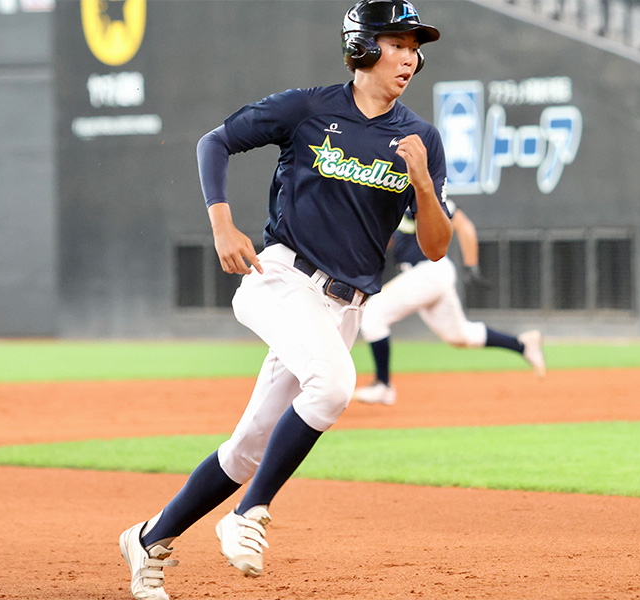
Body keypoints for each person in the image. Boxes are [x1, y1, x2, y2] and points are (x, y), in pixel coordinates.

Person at [118, 1, 451, 598]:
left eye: (414, 45)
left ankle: (148, 539)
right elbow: (214, 143)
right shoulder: (309, 108)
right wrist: (221, 221)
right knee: (335, 385)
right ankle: (249, 514)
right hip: (281, 279)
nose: (410, 56)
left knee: (247, 447)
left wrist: (424, 185)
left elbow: (433, 247)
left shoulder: (421, 138)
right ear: (364, 48)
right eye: (397, 43)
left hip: (343, 308)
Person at [351, 201, 546, 407]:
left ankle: (383, 386)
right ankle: (523, 345)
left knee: (372, 313)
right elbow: (389, 239)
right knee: (459, 335)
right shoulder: (397, 199)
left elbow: (464, 226)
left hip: (429, 271)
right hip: (423, 275)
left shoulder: (428, 195)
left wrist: (471, 265)